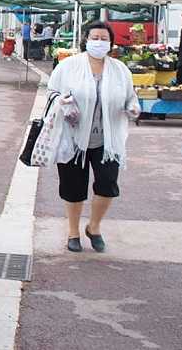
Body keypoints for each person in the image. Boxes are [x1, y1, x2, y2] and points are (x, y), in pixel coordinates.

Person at [46, 21, 139, 253]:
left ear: (110, 42)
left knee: (107, 184)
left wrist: (133, 107)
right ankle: (73, 231)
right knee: (72, 186)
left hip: (108, 140)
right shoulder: (68, 66)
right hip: (74, 137)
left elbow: (130, 97)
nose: (99, 42)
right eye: (94, 37)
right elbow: (52, 92)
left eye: (103, 38)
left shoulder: (120, 69)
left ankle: (94, 227)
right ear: (85, 39)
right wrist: (62, 102)